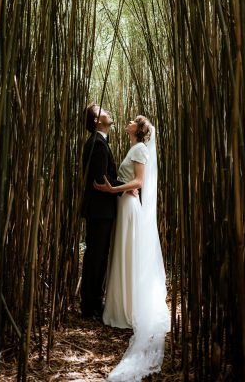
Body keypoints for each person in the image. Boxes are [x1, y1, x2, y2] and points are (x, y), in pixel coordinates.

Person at [94, 115, 170, 381]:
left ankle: (127, 309)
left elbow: (139, 183)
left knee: (127, 256)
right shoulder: (133, 147)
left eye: (133, 121)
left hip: (127, 205)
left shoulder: (138, 149)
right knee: (123, 255)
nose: (127, 122)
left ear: (138, 129)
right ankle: (122, 305)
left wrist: (111, 190)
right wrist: (115, 190)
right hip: (124, 205)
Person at [80, 102, 126, 319]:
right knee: (96, 258)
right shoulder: (97, 144)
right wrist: (127, 188)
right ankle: (91, 307)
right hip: (99, 211)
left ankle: (92, 303)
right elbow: (101, 180)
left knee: (96, 256)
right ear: (98, 121)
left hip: (100, 210)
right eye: (103, 111)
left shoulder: (99, 142)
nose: (108, 112)